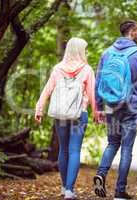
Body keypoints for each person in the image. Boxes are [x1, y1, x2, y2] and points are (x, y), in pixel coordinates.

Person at [93, 20, 137, 200]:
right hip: (131, 106)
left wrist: (98, 107)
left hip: (111, 105)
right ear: (132, 32)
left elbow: (98, 82)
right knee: (126, 148)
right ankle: (120, 191)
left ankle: (101, 174)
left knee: (112, 143)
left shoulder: (107, 53)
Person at [35, 37, 97, 200]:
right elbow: (92, 94)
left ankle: (64, 187)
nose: (86, 52)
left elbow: (47, 90)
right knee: (75, 150)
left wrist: (39, 109)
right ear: (80, 50)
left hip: (61, 115)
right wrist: (97, 112)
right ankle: (69, 190)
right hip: (79, 114)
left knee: (63, 149)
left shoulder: (57, 68)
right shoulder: (87, 69)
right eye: (85, 49)